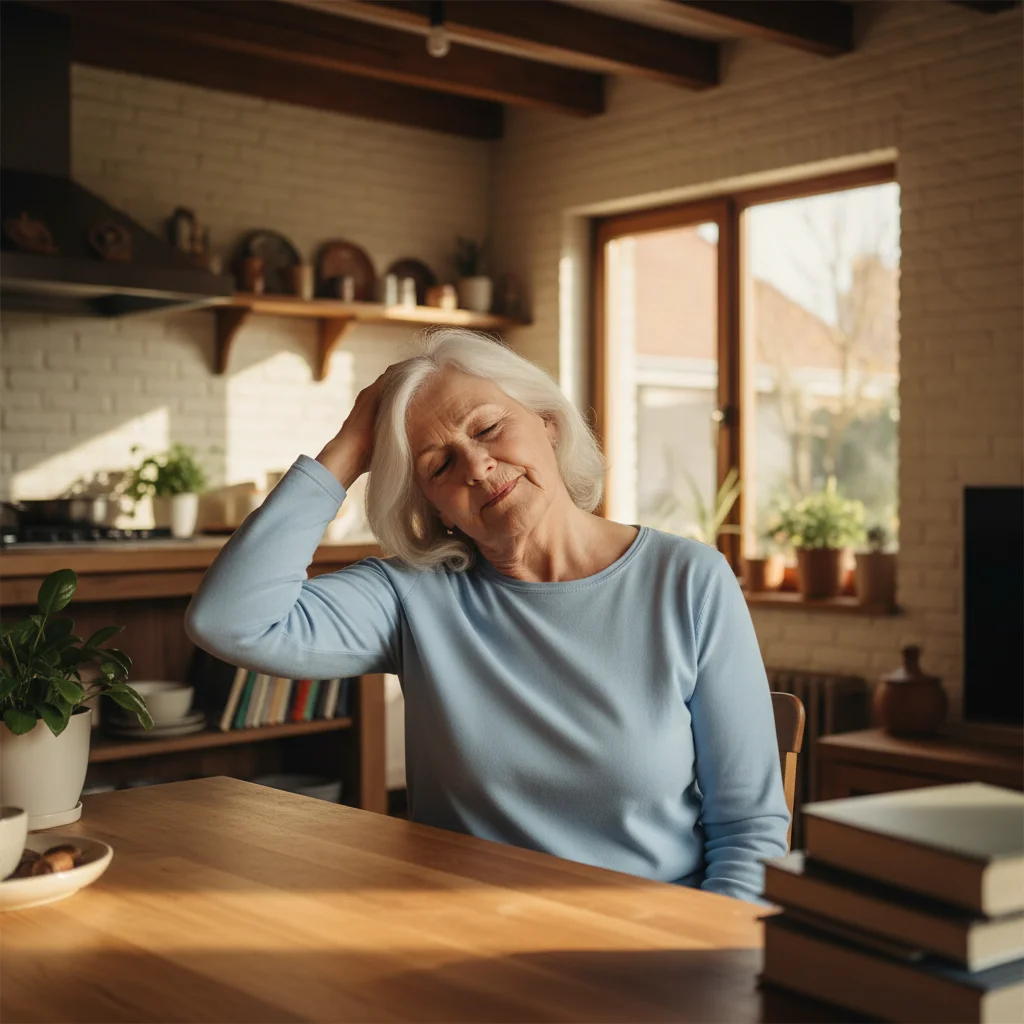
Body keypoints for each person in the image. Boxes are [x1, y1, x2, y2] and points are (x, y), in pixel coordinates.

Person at [185, 328, 789, 903]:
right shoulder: (413, 595)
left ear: (548, 426)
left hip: (654, 947)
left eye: (489, 428)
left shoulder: (689, 581)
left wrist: (716, 956)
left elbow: (748, 828)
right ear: (436, 508)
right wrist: (349, 446)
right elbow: (229, 619)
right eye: (439, 466)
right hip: (466, 940)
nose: (476, 466)